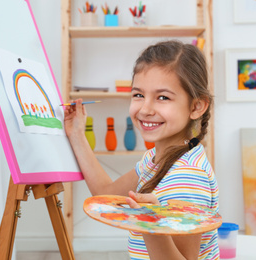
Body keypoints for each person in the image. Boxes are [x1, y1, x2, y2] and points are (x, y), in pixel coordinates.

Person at [64, 40, 219, 260]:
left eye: (163, 97)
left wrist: (149, 222)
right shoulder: (156, 159)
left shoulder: (187, 176)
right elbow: (105, 194)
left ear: (196, 106)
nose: (145, 109)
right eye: (138, 95)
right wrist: (77, 133)